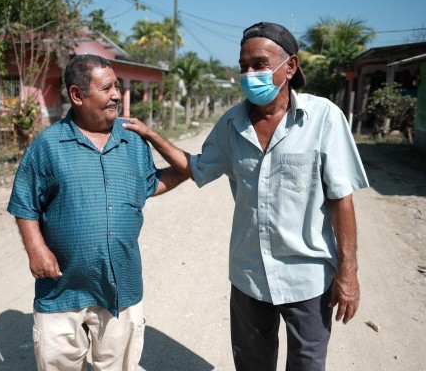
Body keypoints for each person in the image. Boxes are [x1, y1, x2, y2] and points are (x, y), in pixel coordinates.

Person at [122, 21, 369, 370]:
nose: (249, 73)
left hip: (308, 278)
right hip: (249, 275)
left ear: (291, 66)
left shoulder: (323, 119)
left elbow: (341, 198)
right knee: (252, 365)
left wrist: (349, 271)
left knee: (308, 365)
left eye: (259, 65)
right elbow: (197, 168)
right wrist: (151, 135)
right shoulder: (230, 124)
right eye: (243, 67)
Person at [7, 54, 186, 371]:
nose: (117, 94)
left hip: (120, 286)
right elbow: (25, 203)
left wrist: (154, 137)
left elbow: (154, 182)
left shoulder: (132, 140)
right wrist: (36, 249)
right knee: (58, 364)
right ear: (77, 95)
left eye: (116, 86)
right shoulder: (48, 144)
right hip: (61, 287)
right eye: (107, 88)